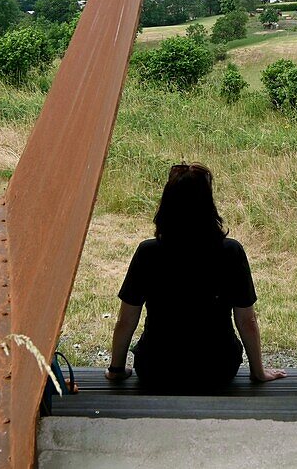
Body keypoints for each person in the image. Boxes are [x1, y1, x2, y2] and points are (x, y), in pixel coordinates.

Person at [105, 162, 287, 391]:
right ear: (208, 205)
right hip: (217, 368)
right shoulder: (231, 252)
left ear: (166, 205)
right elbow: (247, 321)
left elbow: (126, 321)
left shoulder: (148, 253)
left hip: (157, 369)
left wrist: (116, 370)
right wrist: (258, 371)